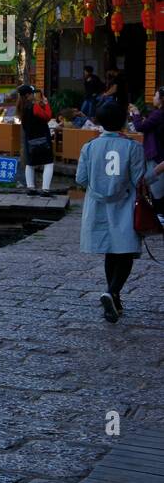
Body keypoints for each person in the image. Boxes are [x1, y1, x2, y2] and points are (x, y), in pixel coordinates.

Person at [75, 102, 146, 324]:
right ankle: (113, 292)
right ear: (124, 121)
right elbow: (139, 181)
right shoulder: (132, 147)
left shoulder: (89, 146)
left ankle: (113, 295)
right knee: (125, 252)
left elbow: (81, 180)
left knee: (109, 251)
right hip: (124, 206)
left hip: (98, 206)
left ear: (98, 121)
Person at [17, 85, 55, 198]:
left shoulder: (21, 108)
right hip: (42, 138)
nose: (34, 95)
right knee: (48, 162)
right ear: (28, 95)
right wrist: (46, 104)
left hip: (29, 139)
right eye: (32, 93)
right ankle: (45, 189)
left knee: (30, 163)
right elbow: (47, 117)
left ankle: (31, 188)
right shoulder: (33, 106)